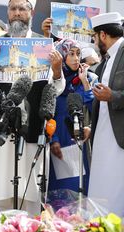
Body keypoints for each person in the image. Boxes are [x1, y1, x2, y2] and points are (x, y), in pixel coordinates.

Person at [0, 0, 65, 214]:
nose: (17, 13)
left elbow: (55, 90)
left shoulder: (44, 45)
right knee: (1, 192)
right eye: (13, 8)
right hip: (0, 128)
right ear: (7, 12)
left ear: (31, 12)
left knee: (31, 191)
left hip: (33, 130)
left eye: (22, 8)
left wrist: (57, 70)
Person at [48, 39, 95, 195]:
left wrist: (85, 81)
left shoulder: (87, 78)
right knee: (59, 188)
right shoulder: (53, 78)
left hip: (78, 136)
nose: (76, 58)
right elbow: (48, 110)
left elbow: (93, 107)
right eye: (71, 54)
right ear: (62, 56)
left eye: (78, 54)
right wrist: (53, 139)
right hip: (58, 135)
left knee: (80, 184)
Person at [88, 12, 124, 217]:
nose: (94, 42)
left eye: (94, 37)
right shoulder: (106, 60)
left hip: (120, 139)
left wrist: (114, 96)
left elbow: (111, 96)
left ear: (102, 35)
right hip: (102, 138)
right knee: (103, 188)